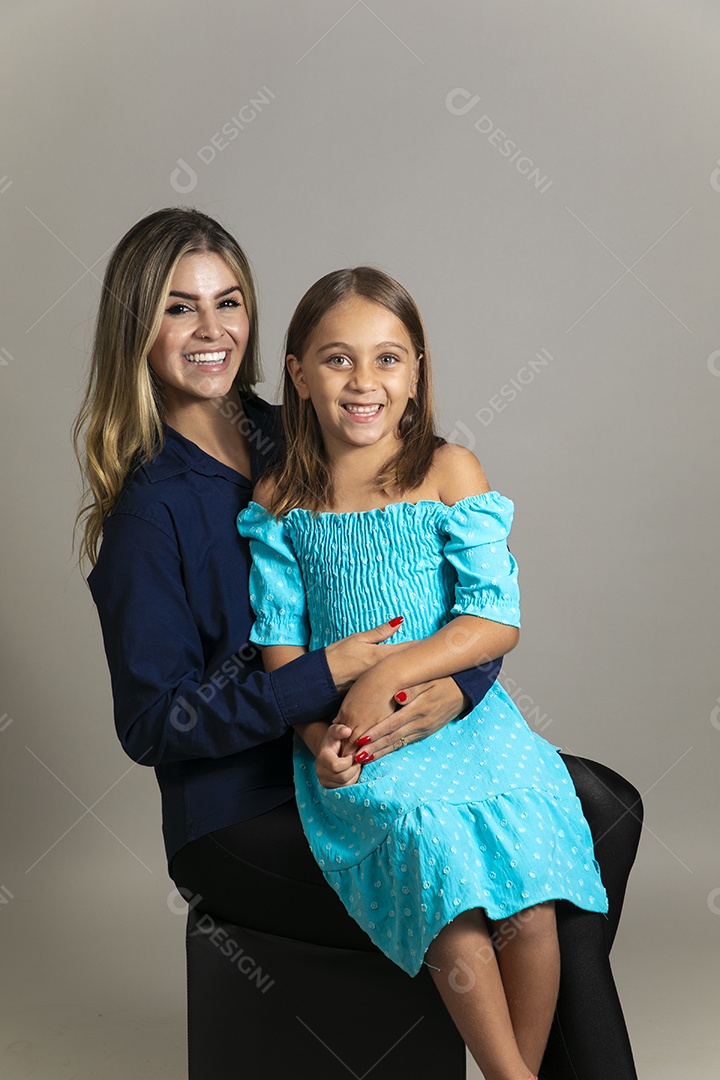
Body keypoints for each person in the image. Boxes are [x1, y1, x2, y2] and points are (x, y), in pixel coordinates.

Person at [75, 208, 641, 1079]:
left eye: (228, 302)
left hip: (400, 740)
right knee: (542, 882)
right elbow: (153, 725)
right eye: (178, 308)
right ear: (136, 326)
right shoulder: (147, 512)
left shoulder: (290, 432)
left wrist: (457, 689)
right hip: (243, 810)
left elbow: (441, 599)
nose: (211, 330)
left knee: (601, 812)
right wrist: (322, 684)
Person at [236, 267, 627, 1080]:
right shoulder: (281, 500)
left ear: (416, 374)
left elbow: (494, 619)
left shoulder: (451, 472)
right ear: (299, 376)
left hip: (469, 723)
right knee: (436, 853)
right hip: (366, 744)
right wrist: (320, 738)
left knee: (532, 867)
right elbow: (282, 647)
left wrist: (398, 668)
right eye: (337, 360)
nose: (364, 381)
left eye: (388, 359)